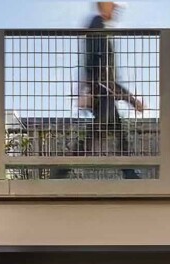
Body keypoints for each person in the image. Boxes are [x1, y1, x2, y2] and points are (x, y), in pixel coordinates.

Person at [54, 1, 144, 179]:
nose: (116, 10)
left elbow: (93, 64)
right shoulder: (97, 26)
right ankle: (63, 168)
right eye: (113, 6)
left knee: (116, 131)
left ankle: (128, 171)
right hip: (102, 91)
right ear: (104, 6)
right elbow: (98, 66)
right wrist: (131, 99)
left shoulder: (99, 27)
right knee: (97, 132)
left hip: (102, 90)